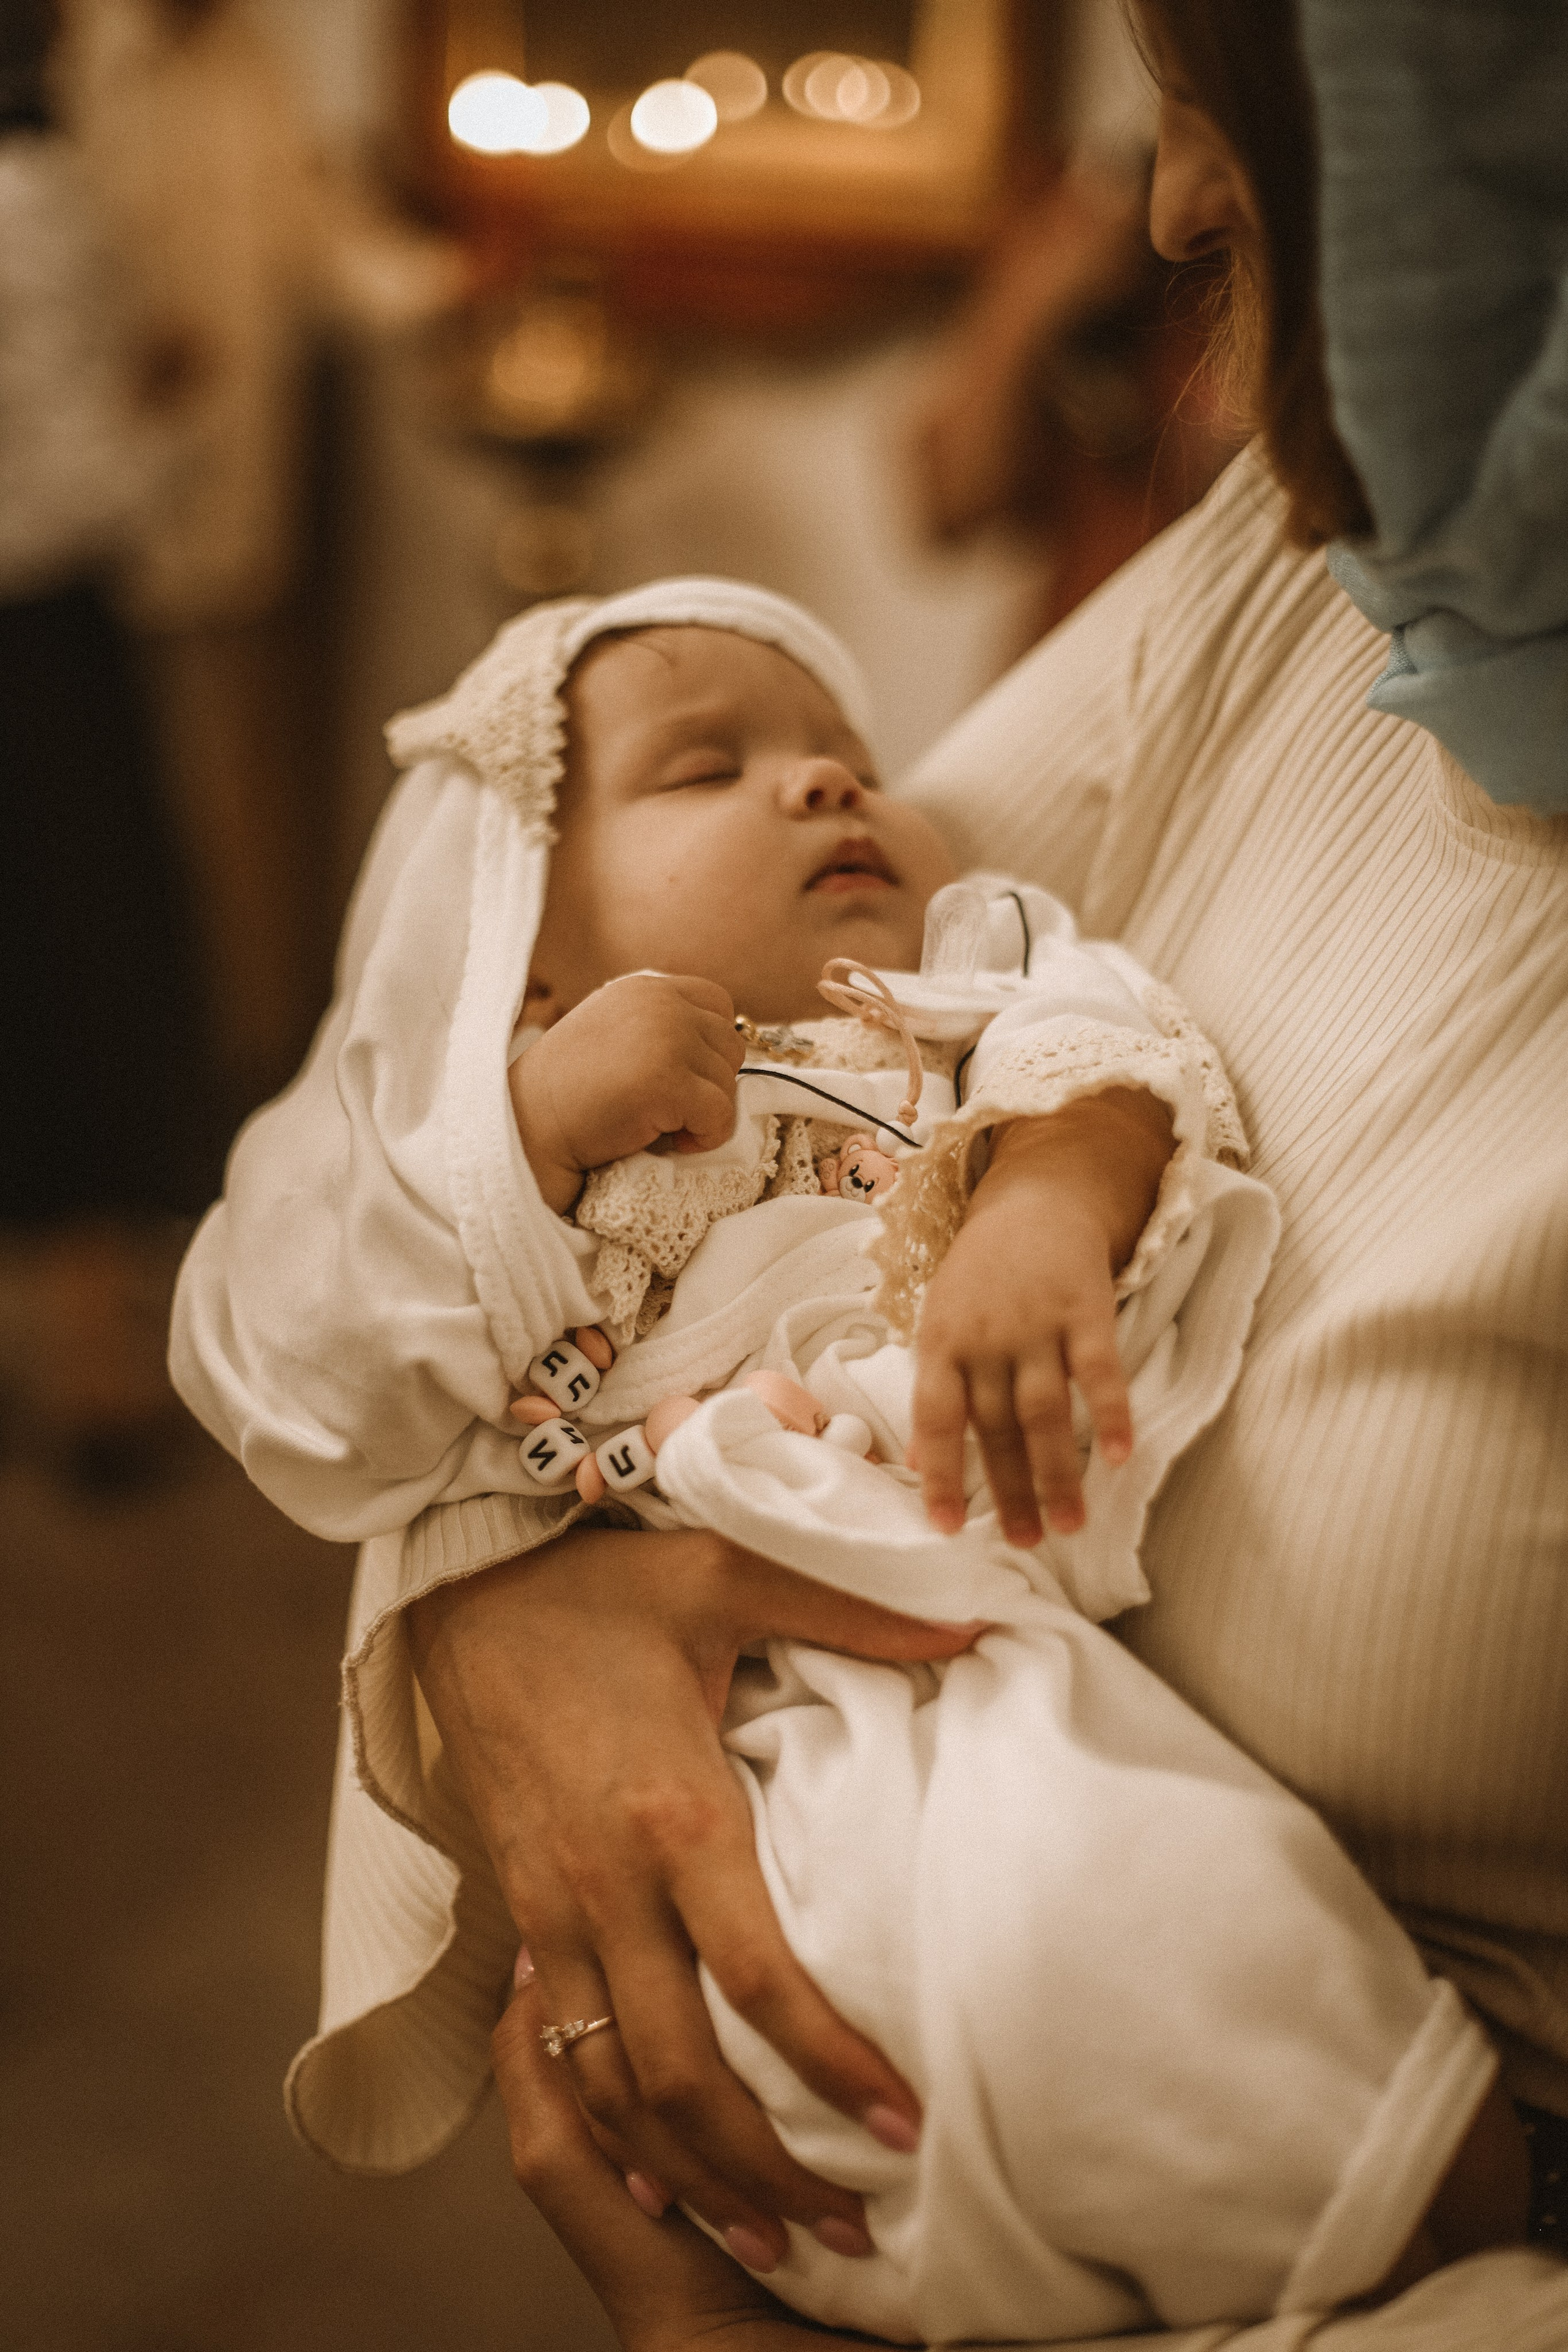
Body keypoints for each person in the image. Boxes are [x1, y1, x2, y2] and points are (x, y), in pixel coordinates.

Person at [385, 2, 1566, 2346]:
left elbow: (1038, 1011)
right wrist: (500, 1599)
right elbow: (808, 992)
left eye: (1246, 126)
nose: (1159, 220)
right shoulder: (1297, 563)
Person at [172, 575, 1522, 2339]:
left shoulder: (961, 979)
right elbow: (282, 1363)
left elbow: (1114, 1045)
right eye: (707, 767)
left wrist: (1047, 1194)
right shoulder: (444, 1132)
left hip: (958, 1616)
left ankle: (1371, 2197)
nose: (823, 786)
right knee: (834, 1989)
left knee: (1125, 1891)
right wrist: (527, 1126)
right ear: (521, 925)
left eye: (842, 756)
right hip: (747, 1712)